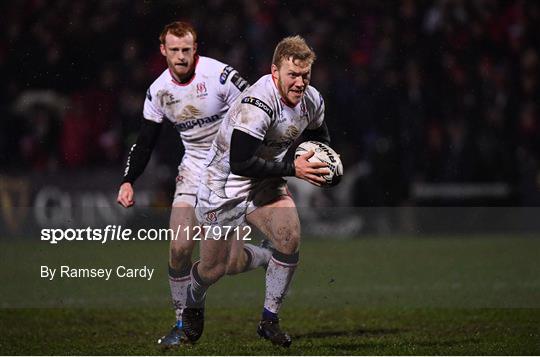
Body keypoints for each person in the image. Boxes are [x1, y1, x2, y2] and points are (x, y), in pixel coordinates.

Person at [116, 21, 272, 348]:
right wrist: (129, 180)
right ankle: (182, 323)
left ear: (195, 48)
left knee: (225, 265)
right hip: (193, 171)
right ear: (163, 51)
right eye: (174, 50)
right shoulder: (158, 91)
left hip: (230, 174)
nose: (181, 56)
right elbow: (145, 142)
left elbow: (260, 105)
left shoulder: (220, 76)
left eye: (186, 49)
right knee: (178, 248)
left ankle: (266, 257)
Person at [183, 35, 332, 347]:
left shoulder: (313, 100)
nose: (299, 82)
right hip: (224, 183)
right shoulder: (258, 105)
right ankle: (193, 299)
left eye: (305, 75)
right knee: (217, 268)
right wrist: (294, 168)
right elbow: (240, 162)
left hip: (266, 179)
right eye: (292, 74)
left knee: (289, 236)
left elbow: (319, 134)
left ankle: (269, 320)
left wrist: (323, 161)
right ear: (274, 72)